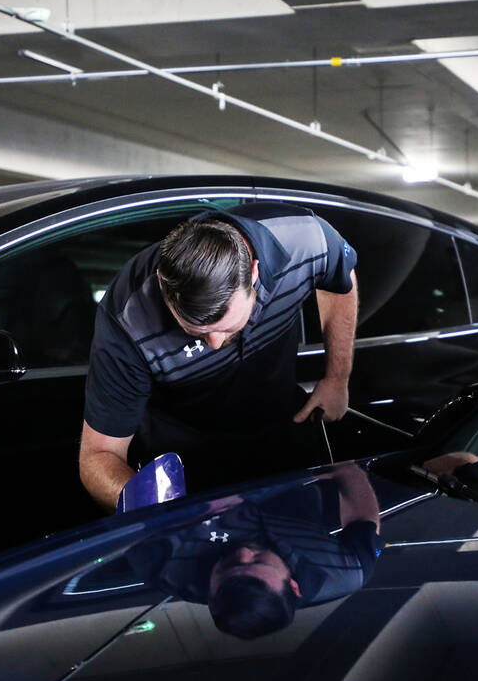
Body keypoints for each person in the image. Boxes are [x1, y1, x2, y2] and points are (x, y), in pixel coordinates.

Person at [79, 202, 358, 510]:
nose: (214, 344)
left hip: (279, 437)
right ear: (162, 284)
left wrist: (337, 377)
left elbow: (339, 282)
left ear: (253, 273)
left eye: (227, 328)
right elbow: (99, 456)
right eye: (195, 333)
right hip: (185, 463)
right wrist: (163, 512)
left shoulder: (304, 239)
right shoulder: (127, 316)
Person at [126, 464, 383, 639]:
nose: (244, 553)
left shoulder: (164, 567)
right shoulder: (345, 571)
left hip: (196, 462)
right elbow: (363, 516)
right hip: (285, 464)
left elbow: (129, 505)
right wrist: (343, 469)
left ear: (211, 593)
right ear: (294, 586)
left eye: (228, 566)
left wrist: (187, 512)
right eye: (259, 561)